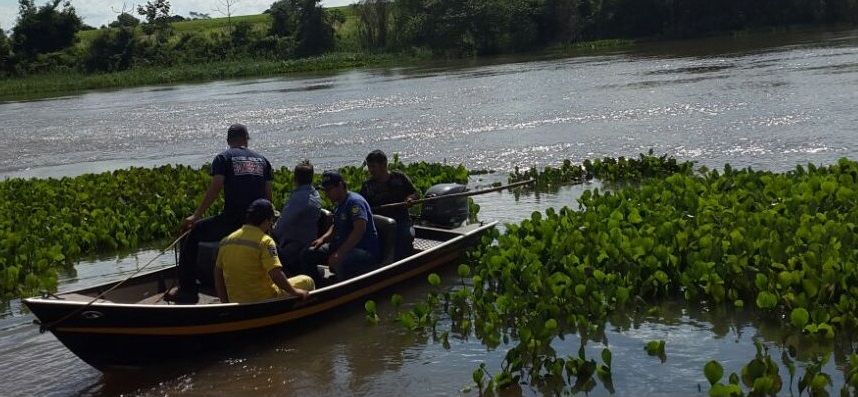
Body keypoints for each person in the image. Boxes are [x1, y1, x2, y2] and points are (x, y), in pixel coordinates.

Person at [167, 123, 274, 304]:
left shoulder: (223, 158)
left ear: (228, 141)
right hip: (258, 222)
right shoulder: (263, 161)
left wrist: (196, 215)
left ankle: (188, 290)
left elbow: (216, 187)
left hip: (232, 220)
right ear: (246, 140)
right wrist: (268, 223)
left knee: (191, 234)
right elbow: (268, 195)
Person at [214, 199, 314, 303]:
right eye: (271, 220)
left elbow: (218, 276)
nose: (271, 223)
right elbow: (276, 275)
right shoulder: (265, 241)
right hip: (264, 300)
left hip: (235, 300)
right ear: (267, 220)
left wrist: (225, 303)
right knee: (307, 281)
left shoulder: (226, 241)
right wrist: (296, 292)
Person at [300, 170, 380, 284]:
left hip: (363, 249)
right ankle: (321, 283)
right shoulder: (339, 203)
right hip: (342, 245)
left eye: (329, 190)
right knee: (308, 254)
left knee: (341, 262)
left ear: (341, 186)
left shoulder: (355, 202)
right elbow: (335, 225)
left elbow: (359, 230)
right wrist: (323, 239)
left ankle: (341, 288)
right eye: (325, 190)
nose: (326, 194)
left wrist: (339, 253)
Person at [360, 149, 420, 260]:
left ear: (384, 165)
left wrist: (410, 198)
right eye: (369, 167)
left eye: (373, 166)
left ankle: (401, 264)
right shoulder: (367, 186)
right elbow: (362, 206)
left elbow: (415, 194)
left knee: (404, 237)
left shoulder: (399, 177)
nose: (370, 170)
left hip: (401, 220)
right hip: (379, 224)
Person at [272, 159, 322, 276]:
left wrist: (271, 229)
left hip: (294, 247)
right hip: (308, 241)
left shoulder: (299, 198)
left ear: (295, 179)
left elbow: (280, 227)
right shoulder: (315, 194)